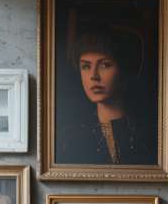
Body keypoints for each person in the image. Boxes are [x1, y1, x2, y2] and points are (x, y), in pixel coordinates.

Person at [58, 27, 157, 167]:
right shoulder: (69, 137)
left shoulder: (150, 133)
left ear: (124, 69)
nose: (94, 76)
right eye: (86, 67)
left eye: (105, 65)